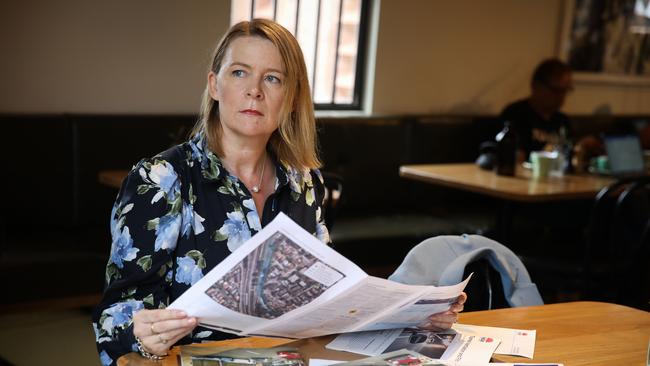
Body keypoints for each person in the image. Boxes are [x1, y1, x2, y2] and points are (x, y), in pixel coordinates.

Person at [91, 19, 466, 365]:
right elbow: (114, 317)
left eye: (273, 79)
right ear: (214, 85)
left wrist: (413, 315)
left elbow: (330, 297)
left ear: (289, 97)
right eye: (240, 73)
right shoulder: (160, 179)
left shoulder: (303, 181)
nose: (254, 91)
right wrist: (142, 336)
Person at [499, 58, 574, 162]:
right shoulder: (516, 115)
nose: (561, 97)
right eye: (556, 90)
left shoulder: (563, 121)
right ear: (536, 85)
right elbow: (513, 160)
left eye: (565, 91)